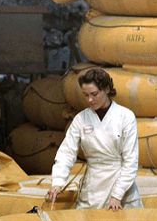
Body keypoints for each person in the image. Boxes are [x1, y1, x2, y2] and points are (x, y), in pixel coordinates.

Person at [46, 67, 142, 210]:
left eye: (94, 94)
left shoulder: (125, 117)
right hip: (93, 187)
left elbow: (131, 160)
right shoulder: (81, 119)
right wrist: (58, 182)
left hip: (120, 183)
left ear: (107, 89)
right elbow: (67, 152)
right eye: (85, 95)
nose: (90, 100)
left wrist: (117, 194)